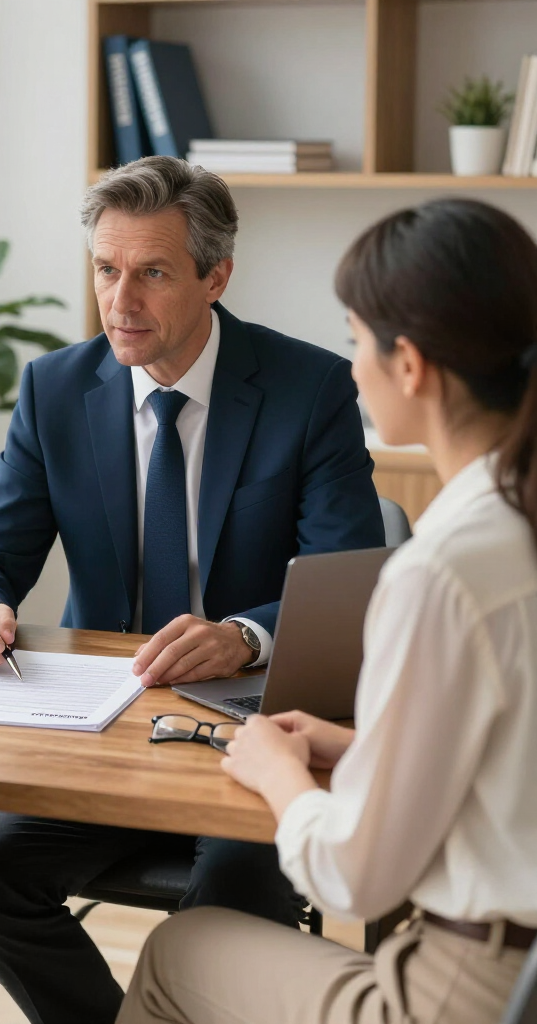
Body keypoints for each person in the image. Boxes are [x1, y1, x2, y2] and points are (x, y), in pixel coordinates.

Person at [0, 156, 385, 1024]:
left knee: (222, 912)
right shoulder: (57, 389)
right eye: (107, 270)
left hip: (254, 738)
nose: (121, 301)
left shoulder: (310, 388)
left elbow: (349, 584)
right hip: (100, 729)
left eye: (152, 273)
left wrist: (246, 635)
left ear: (216, 277)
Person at [117, 197, 537, 1024]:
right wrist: (357, 746)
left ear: (408, 364)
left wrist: (276, 773)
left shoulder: (438, 575)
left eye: (356, 342)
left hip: (464, 989)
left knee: (179, 949)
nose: (351, 368)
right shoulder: (510, 530)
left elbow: (353, 875)